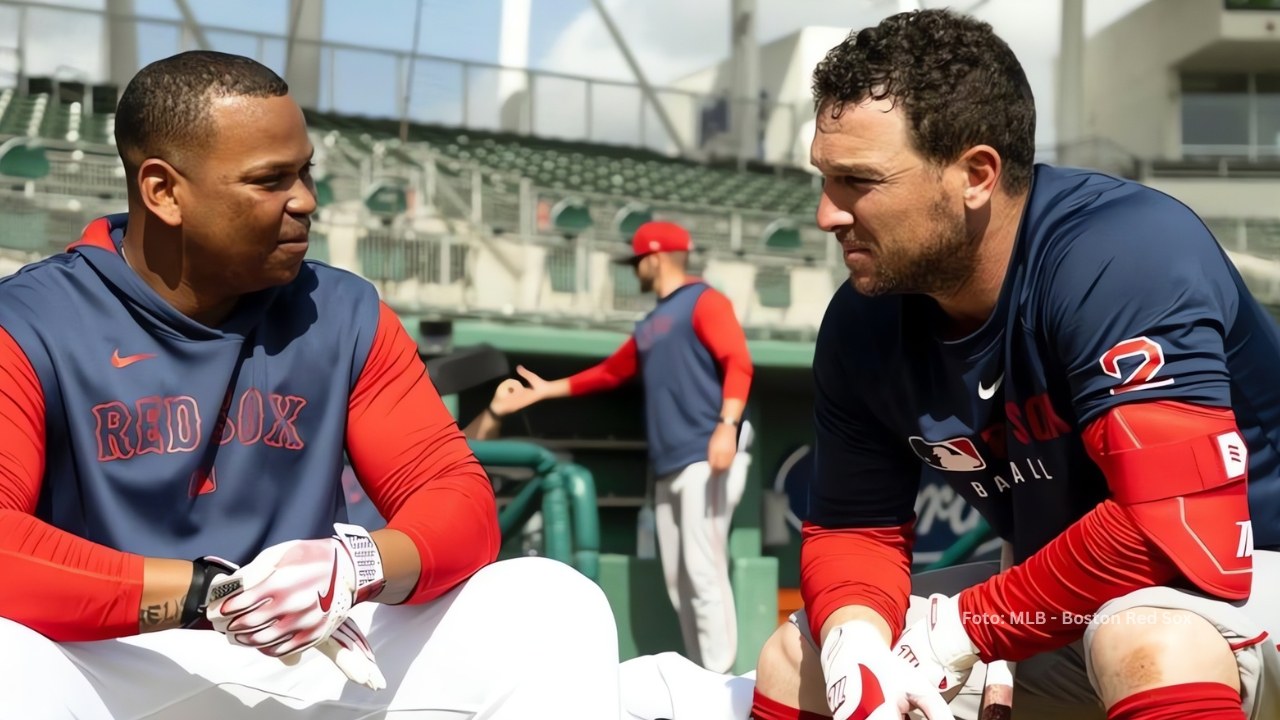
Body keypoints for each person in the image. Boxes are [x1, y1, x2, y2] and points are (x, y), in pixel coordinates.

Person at [0, 50, 622, 719]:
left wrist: (353, 566)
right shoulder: (31, 320)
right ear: (164, 191)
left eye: (305, 173)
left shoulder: (343, 310)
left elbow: (456, 497)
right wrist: (210, 592)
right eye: (270, 181)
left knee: (551, 601)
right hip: (117, 662)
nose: (306, 201)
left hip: (318, 653)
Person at [738, 8, 1280, 720]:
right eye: (825, 178)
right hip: (1068, 595)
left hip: (1237, 565)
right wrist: (853, 642)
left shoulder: (1123, 252)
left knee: (1143, 638)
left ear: (975, 174)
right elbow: (854, 528)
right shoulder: (863, 318)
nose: (826, 214)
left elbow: (1170, 528)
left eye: (858, 181)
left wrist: (965, 628)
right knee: (797, 657)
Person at [505, 220, 755, 674]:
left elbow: (739, 361)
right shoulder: (652, 321)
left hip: (706, 450)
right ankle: (703, 675)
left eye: (638, 260)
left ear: (655, 258)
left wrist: (727, 426)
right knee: (679, 578)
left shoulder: (705, 300)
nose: (634, 269)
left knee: (704, 571)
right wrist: (546, 390)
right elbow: (610, 372)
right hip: (670, 462)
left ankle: (722, 683)